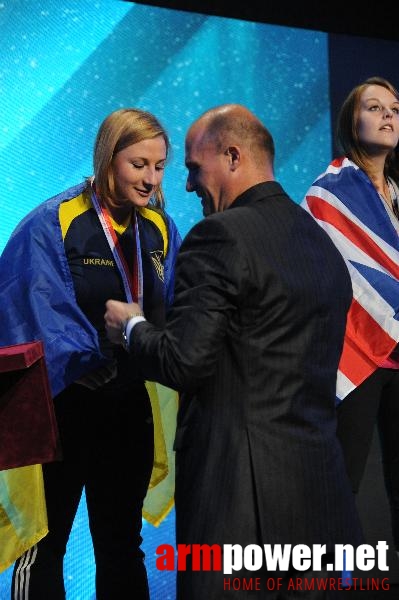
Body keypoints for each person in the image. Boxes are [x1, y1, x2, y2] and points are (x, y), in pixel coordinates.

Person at [104, 103, 363, 599]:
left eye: (193, 168)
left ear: (232, 156)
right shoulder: (321, 244)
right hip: (324, 507)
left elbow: (185, 359)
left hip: (240, 512)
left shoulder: (218, 236)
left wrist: (131, 325)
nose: (184, 186)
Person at [0, 108, 181, 599]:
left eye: (160, 166)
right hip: (62, 409)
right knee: (43, 543)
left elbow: (174, 312)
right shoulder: (54, 220)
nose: (150, 179)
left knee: (122, 545)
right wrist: (83, 362)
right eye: (138, 164)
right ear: (108, 157)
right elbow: (23, 309)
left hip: (127, 409)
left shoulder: (160, 229)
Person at [302, 76, 399, 558]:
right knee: (343, 483)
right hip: (357, 354)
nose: (387, 115)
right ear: (350, 121)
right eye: (375, 107)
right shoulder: (328, 195)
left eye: (394, 109)